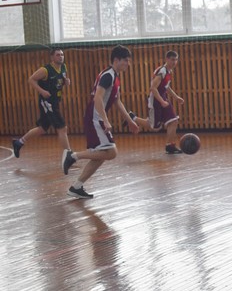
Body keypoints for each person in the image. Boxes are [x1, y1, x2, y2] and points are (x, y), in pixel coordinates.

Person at [62, 45, 140, 199]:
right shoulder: (108, 76)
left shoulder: (115, 76)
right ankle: (72, 156)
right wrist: (105, 120)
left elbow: (117, 101)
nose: (128, 64)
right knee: (111, 152)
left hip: (96, 117)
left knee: (102, 155)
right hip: (95, 117)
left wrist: (129, 120)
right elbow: (97, 97)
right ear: (116, 60)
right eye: (125, 60)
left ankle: (76, 187)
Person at [12, 48, 71, 158]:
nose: (61, 57)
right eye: (58, 55)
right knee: (62, 128)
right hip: (47, 102)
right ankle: (69, 156)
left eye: (62, 54)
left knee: (43, 128)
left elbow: (59, 81)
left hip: (55, 101)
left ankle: (19, 142)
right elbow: (31, 79)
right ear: (52, 57)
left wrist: (66, 82)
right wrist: (42, 91)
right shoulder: (45, 70)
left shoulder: (63, 67)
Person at [127, 50, 185, 153]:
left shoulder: (169, 71)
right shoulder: (162, 71)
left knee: (173, 121)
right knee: (154, 127)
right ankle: (132, 117)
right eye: (172, 60)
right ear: (167, 59)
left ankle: (170, 146)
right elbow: (153, 88)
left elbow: (166, 87)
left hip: (163, 98)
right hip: (155, 101)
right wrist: (161, 102)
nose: (174, 62)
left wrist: (176, 97)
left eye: (176, 60)